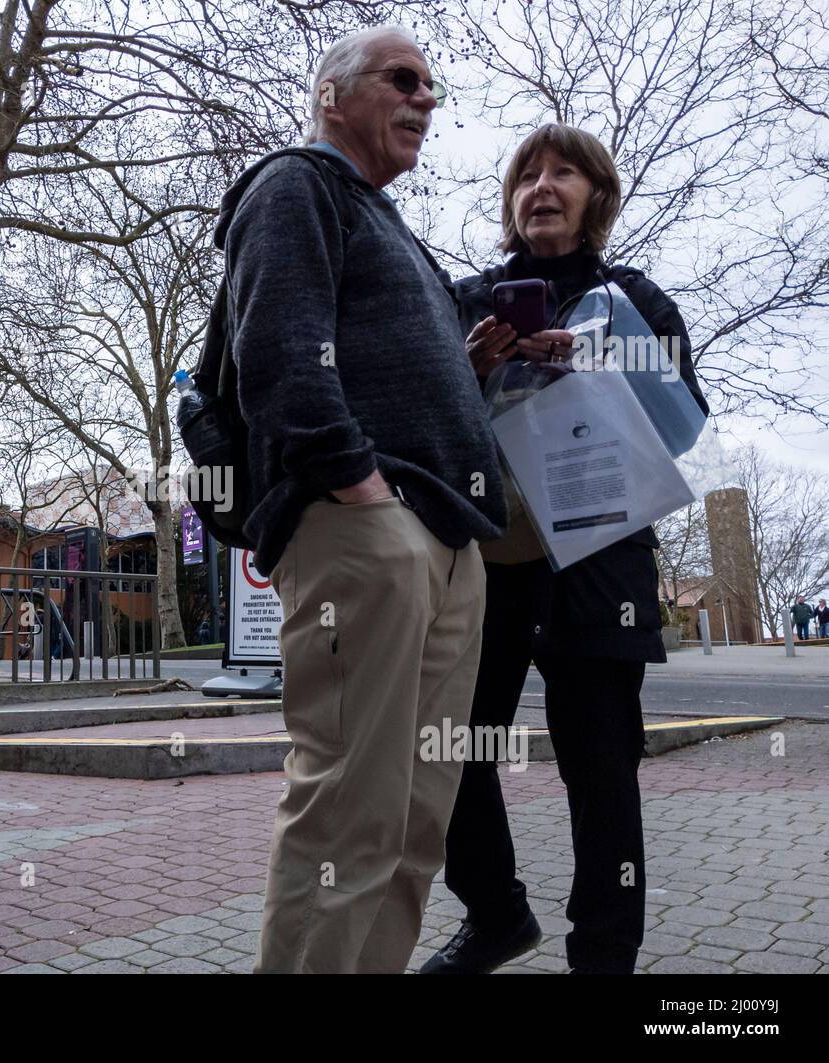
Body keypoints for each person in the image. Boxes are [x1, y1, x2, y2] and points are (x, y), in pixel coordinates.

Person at [220, 25, 506, 973]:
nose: (425, 97)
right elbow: (282, 355)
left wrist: (467, 368)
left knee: (419, 819)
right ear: (334, 96)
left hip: (452, 547)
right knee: (351, 808)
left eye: (432, 84)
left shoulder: (390, 226)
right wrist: (364, 492)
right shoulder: (296, 186)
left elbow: (379, 365)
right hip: (370, 537)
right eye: (402, 79)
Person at [421, 124, 709, 975]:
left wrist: (602, 363)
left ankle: (606, 957)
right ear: (511, 202)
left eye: (564, 173)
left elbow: (684, 420)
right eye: (526, 175)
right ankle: (496, 913)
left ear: (596, 197)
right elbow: (421, 425)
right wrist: (468, 370)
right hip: (487, 564)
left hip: (601, 562)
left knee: (602, 773)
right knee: (454, 749)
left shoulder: (634, 299)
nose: (541, 186)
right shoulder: (467, 298)